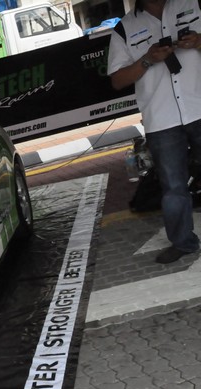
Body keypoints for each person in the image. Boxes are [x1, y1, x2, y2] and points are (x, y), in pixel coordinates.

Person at [108, 0, 201, 263]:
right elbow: (117, 80)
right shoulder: (124, 28)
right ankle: (183, 243)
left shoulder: (193, 4)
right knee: (173, 186)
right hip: (161, 119)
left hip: (199, 106)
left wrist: (198, 41)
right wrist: (148, 59)